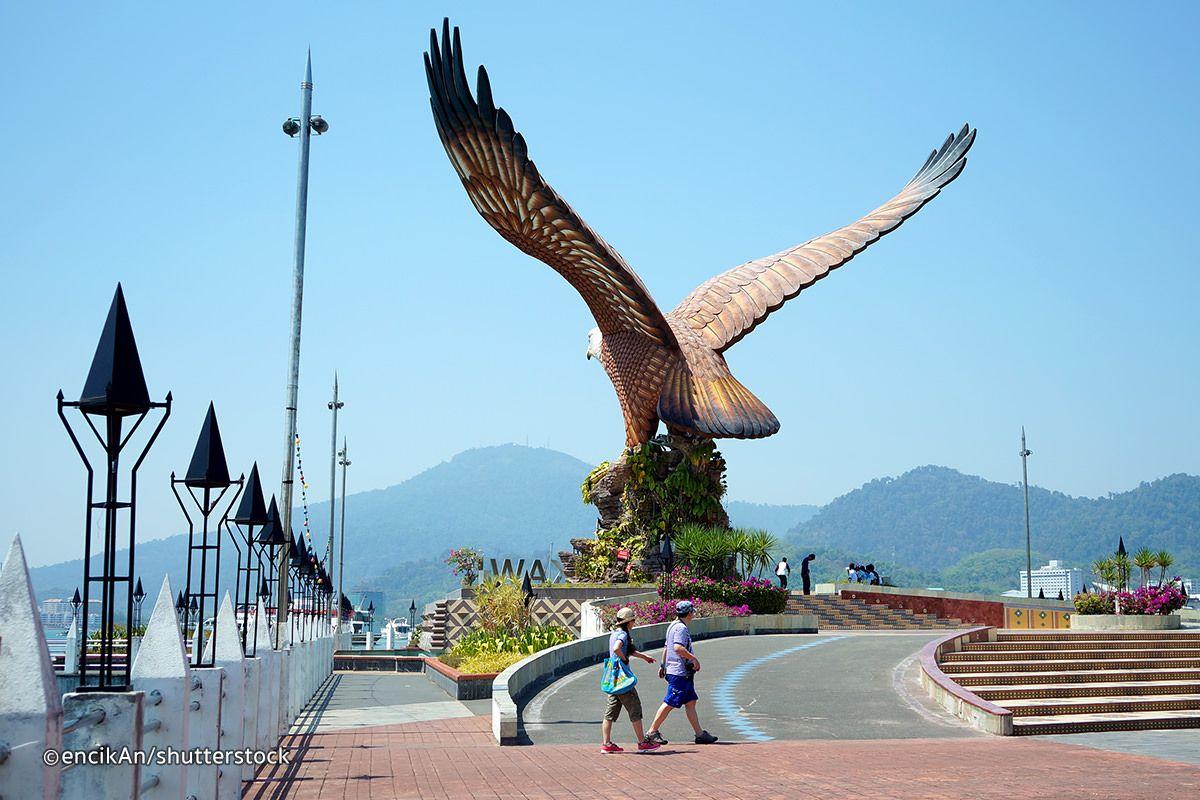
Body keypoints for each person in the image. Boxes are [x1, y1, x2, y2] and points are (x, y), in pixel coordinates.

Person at [644, 600, 718, 746]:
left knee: (690, 702)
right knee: (670, 701)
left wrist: (663, 665)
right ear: (689, 613)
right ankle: (651, 732)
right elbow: (678, 648)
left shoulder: (672, 626)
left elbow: (667, 647)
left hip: (677, 670)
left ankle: (699, 734)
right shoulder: (681, 629)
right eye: (693, 612)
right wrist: (694, 659)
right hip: (679, 672)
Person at [601, 607, 661, 753]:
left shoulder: (614, 634)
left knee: (610, 712)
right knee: (635, 708)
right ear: (629, 622)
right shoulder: (623, 635)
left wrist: (644, 657)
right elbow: (617, 649)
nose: (634, 623)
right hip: (623, 680)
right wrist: (624, 660)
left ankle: (606, 744)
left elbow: (629, 650)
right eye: (633, 620)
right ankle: (642, 742)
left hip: (613, 679)